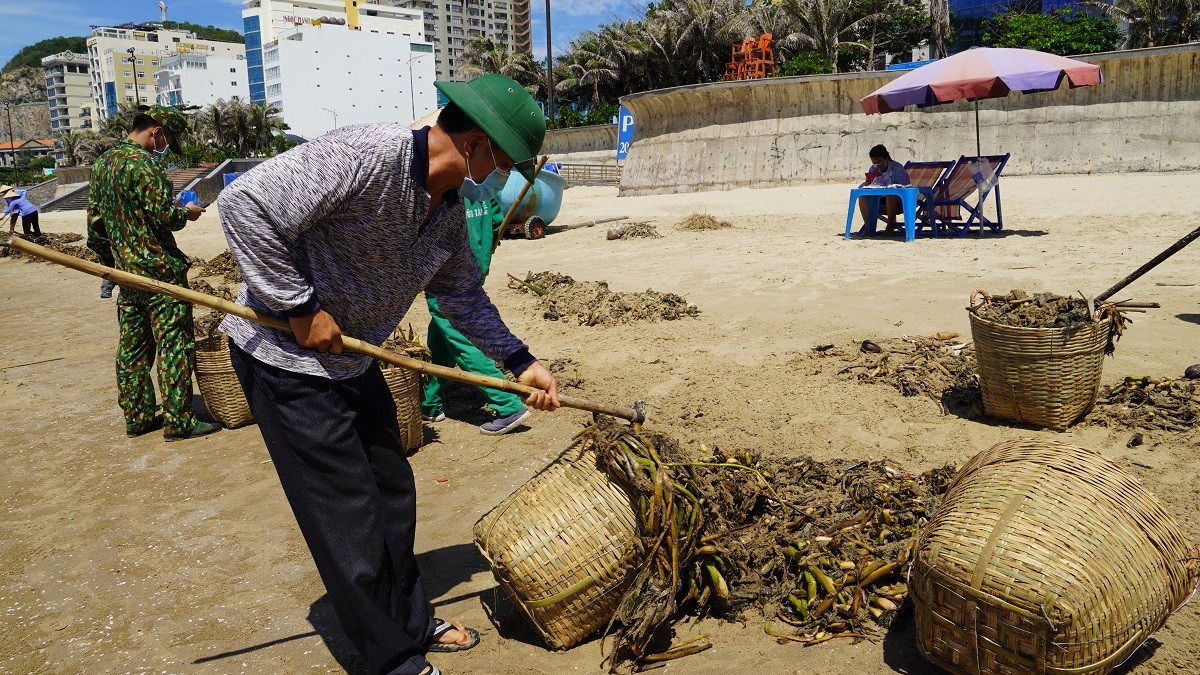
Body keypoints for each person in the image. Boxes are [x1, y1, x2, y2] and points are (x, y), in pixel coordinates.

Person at [215, 74, 561, 675]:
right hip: (287, 360)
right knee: (346, 513)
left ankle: (412, 619)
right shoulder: (365, 155)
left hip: (353, 358)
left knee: (392, 492)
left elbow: (460, 297)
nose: (506, 177)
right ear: (477, 145)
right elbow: (243, 205)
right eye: (507, 163)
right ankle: (390, 656)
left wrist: (520, 361)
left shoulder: (448, 212)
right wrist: (298, 307)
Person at [86, 104, 221, 441]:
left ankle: (139, 416)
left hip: (127, 275)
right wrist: (186, 213)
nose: (163, 148)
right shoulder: (145, 165)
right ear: (157, 131)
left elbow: (95, 227)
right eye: (166, 141)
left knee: (132, 349)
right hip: (161, 273)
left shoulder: (103, 164)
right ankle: (178, 421)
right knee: (173, 345)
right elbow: (164, 216)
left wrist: (112, 265)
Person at [422, 195, 532, 435]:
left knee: (463, 344)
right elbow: (496, 219)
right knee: (440, 338)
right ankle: (431, 403)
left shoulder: (445, 194)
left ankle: (507, 405)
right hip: (474, 270)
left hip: (447, 279)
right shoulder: (482, 191)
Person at [856, 144, 910, 236]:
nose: (876, 162)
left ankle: (890, 226)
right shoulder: (873, 169)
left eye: (878, 159)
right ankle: (868, 226)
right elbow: (867, 186)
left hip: (898, 200)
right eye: (873, 160)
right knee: (862, 197)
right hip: (879, 199)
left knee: (891, 196)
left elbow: (903, 185)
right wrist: (867, 183)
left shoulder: (896, 167)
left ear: (885, 158)